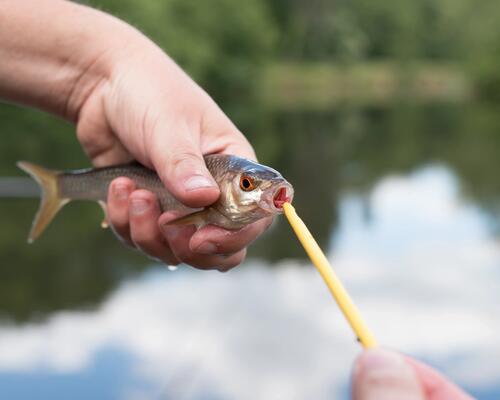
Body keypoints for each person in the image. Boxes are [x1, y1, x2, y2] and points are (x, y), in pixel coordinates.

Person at [0, 1, 474, 398]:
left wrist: (108, 72)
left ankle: (61, 184)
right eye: (249, 185)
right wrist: (106, 71)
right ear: (230, 186)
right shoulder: (199, 185)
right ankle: (59, 188)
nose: (263, 193)